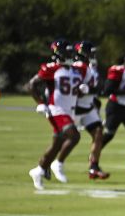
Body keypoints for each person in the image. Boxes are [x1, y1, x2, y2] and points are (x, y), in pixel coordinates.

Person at [27, 39, 83, 190]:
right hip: (56, 110)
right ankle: (58, 164)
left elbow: (70, 91)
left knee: (56, 144)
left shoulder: (74, 70)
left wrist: (82, 90)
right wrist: (40, 102)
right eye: (68, 52)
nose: (71, 54)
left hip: (68, 110)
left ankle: (38, 171)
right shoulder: (52, 68)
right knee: (74, 136)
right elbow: (32, 85)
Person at [57, 41, 109, 180]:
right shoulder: (78, 67)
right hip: (76, 109)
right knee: (63, 140)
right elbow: (76, 88)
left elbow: (94, 87)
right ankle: (53, 164)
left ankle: (94, 166)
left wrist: (94, 96)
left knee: (98, 134)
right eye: (91, 52)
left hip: (88, 108)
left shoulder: (90, 67)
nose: (93, 55)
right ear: (83, 53)